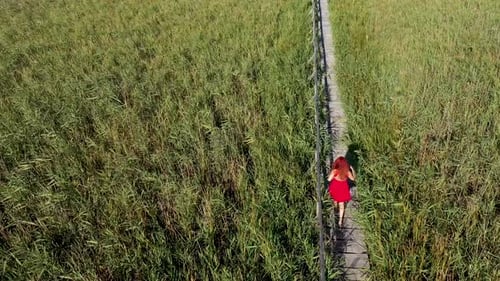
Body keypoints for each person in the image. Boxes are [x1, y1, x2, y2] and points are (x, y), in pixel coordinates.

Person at [327, 156, 356, 227]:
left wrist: (332, 174)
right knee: (342, 205)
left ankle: (335, 211)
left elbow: (329, 179)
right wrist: (352, 169)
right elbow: (353, 179)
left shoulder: (335, 171)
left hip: (335, 187)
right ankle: (340, 221)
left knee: (335, 201)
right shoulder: (347, 171)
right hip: (343, 188)